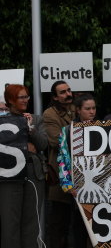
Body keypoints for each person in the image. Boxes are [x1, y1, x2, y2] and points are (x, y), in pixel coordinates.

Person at [0, 84, 48, 248]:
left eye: (27, 96)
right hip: (9, 176)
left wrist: (31, 130)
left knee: (31, 221)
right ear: (10, 100)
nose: (26, 100)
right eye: (21, 97)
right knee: (9, 221)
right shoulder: (2, 121)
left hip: (33, 173)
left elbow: (43, 145)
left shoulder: (36, 118)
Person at [57, 93, 95, 247]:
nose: (92, 111)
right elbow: (62, 159)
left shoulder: (104, 128)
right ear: (78, 110)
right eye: (87, 109)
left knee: (99, 226)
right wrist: (68, 185)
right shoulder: (68, 130)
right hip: (78, 187)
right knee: (79, 227)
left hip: (100, 185)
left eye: (93, 108)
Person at [42, 80, 75, 248]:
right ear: (55, 97)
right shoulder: (49, 114)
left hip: (79, 173)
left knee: (76, 224)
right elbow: (56, 141)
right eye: (62, 92)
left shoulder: (76, 109)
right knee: (58, 224)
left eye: (69, 90)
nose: (67, 94)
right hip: (61, 175)